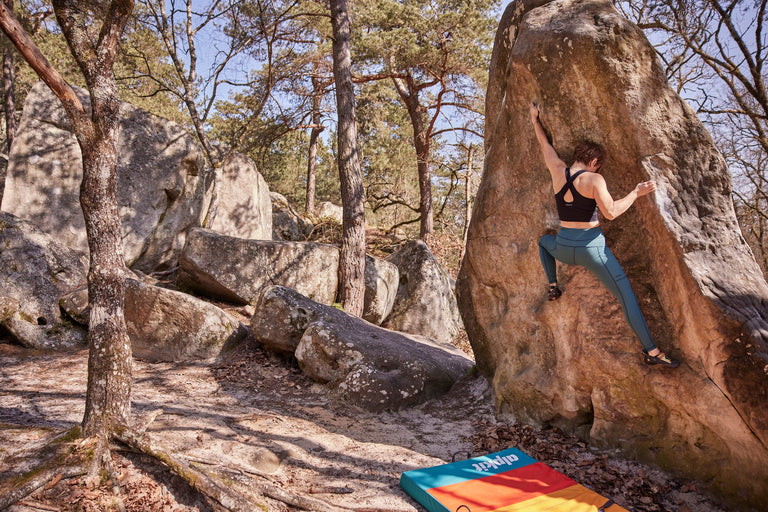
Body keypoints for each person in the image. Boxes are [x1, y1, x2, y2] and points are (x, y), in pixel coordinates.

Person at [529, 102, 679, 368]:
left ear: (577, 156)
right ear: (595, 162)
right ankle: (651, 351)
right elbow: (610, 213)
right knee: (626, 296)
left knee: (543, 242)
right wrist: (636, 193)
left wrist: (534, 119)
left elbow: (544, 145)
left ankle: (553, 286)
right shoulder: (594, 180)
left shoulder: (557, 168)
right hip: (592, 251)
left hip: (563, 247)